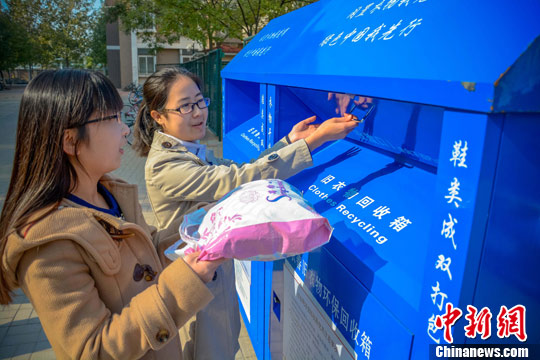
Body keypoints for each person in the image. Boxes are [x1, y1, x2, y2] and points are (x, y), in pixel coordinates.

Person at [132, 67, 358, 359]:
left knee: (222, 342)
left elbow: (242, 170)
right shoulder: (166, 164)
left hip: (212, 267)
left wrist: (289, 142)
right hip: (198, 272)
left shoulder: (188, 149)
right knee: (213, 348)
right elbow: (236, 181)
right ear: (158, 116)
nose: (198, 112)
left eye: (200, 101)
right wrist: (313, 143)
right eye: (185, 106)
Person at [0, 69, 226, 359]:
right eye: (111, 119)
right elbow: (94, 350)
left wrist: (210, 219)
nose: (125, 129)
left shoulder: (112, 194)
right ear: (70, 141)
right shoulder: (48, 244)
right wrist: (188, 281)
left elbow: (149, 257)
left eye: (122, 117)